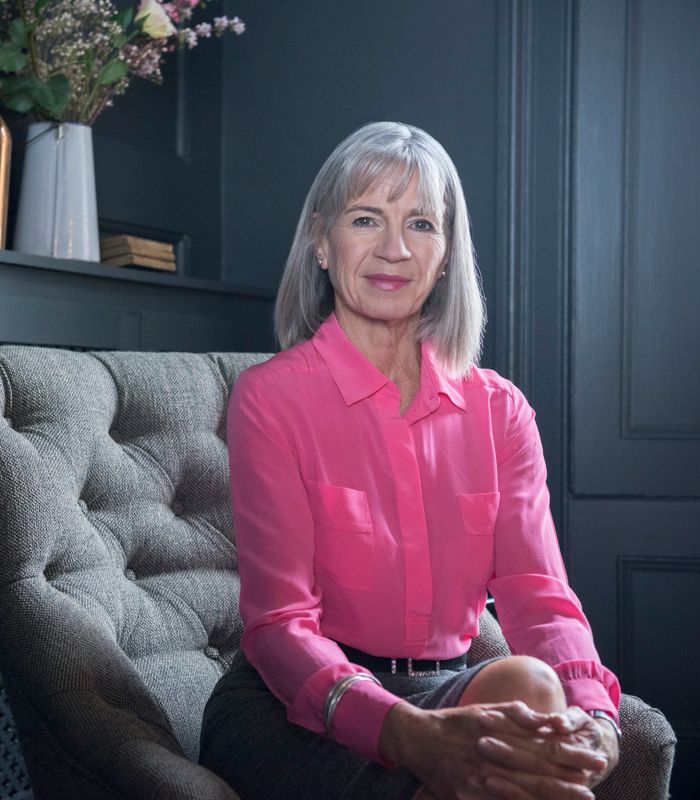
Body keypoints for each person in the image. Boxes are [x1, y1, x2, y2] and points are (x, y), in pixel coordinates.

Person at [199, 121, 621, 800]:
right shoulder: (269, 399)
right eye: (367, 219)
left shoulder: (499, 411)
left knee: (535, 689)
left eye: (421, 224)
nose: (394, 249)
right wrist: (412, 739)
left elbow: (539, 600)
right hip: (298, 708)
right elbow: (279, 627)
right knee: (473, 775)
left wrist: (597, 718)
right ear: (321, 241)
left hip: (448, 682)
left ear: (447, 251)